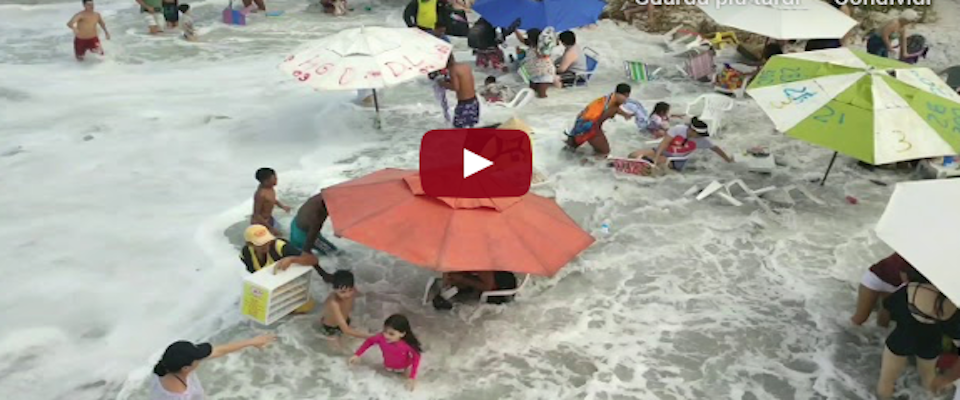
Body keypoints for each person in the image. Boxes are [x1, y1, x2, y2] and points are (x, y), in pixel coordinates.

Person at [877, 273, 960, 400]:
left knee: (887, 380)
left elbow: (888, 308)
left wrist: (881, 327)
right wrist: (947, 377)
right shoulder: (951, 306)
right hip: (931, 344)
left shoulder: (910, 290)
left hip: (900, 339)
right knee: (928, 380)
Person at [151, 335, 275, 400]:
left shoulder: (165, 366)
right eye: (198, 358)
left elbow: (219, 351)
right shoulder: (180, 396)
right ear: (186, 368)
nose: (201, 359)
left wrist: (252, 342)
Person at [627, 117, 735, 171]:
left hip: (676, 161)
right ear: (692, 130)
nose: (700, 136)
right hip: (663, 151)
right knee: (633, 154)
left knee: (648, 163)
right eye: (698, 134)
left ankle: (642, 167)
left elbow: (716, 149)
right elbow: (664, 143)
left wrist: (728, 160)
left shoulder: (703, 140)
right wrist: (656, 156)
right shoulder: (678, 129)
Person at [350, 314, 423, 392]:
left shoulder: (407, 345)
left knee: (406, 388)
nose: (386, 336)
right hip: (388, 366)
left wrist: (412, 377)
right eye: (385, 331)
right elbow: (369, 341)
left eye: (391, 334)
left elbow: (416, 357)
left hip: (404, 369)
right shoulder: (381, 338)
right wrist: (357, 354)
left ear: (402, 334)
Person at [564, 84, 633, 157]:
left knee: (569, 150)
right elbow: (613, 110)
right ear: (621, 94)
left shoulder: (606, 99)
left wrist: (625, 114)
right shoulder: (613, 105)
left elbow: (615, 109)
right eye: (626, 96)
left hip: (579, 124)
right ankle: (587, 164)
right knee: (604, 152)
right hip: (589, 127)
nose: (626, 100)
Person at [851, 253, 914, 327]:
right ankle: (844, 334)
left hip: (894, 286)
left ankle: (875, 336)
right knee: (860, 318)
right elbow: (904, 275)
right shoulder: (908, 253)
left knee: (884, 322)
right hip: (875, 279)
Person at [321, 271, 371, 349]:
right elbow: (346, 330)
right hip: (331, 329)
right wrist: (371, 337)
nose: (348, 294)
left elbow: (362, 295)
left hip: (345, 321)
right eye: (342, 292)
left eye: (350, 290)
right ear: (334, 290)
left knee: (349, 345)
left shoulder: (352, 290)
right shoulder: (334, 303)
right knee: (338, 350)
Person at [290, 193, 339, 257]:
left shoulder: (321, 196)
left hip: (295, 225)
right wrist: (306, 252)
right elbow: (311, 237)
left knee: (295, 252)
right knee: (335, 253)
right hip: (304, 237)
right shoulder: (317, 218)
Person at [437, 57, 479, 128]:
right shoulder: (465, 66)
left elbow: (455, 87)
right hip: (474, 101)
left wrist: (442, 83)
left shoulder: (453, 70)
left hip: (465, 104)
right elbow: (463, 82)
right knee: (471, 126)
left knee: (458, 128)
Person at [251, 168, 291, 236]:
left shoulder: (270, 187)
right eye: (274, 179)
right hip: (260, 224)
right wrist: (271, 228)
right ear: (265, 181)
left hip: (269, 219)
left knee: (282, 234)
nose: (276, 180)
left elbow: (271, 199)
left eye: (276, 177)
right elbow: (256, 215)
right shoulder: (260, 194)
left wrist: (282, 206)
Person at [523, 27, 558, 98]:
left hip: (545, 73)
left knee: (541, 94)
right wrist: (515, 30)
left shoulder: (542, 48)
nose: (526, 38)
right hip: (533, 74)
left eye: (528, 36)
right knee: (531, 93)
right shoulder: (531, 46)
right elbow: (522, 40)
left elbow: (544, 54)